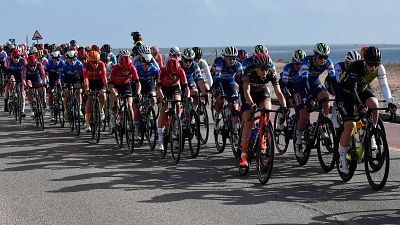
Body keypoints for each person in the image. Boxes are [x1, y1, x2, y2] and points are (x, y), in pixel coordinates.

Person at [337, 46, 397, 174]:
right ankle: (342, 157)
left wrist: (390, 102)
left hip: (362, 90)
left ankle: (372, 133)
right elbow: (352, 89)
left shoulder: (379, 69)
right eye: (370, 64)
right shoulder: (355, 67)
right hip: (345, 93)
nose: (373, 68)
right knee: (350, 125)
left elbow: (384, 86)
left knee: (374, 104)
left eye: (376, 64)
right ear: (364, 61)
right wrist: (359, 104)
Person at [239, 52, 287, 167]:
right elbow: (246, 92)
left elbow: (278, 92)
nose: (265, 71)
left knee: (266, 112)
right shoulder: (248, 72)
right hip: (248, 94)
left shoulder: (271, 73)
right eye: (262, 69)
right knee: (249, 122)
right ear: (256, 68)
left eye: (267, 69)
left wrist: (284, 106)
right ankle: (244, 155)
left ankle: (263, 135)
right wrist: (251, 104)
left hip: (261, 92)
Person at [293, 43, 335, 157]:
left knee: (325, 97)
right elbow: (305, 79)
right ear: (315, 56)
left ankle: (323, 124)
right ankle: (298, 140)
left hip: (315, 83)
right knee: (304, 113)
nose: (323, 59)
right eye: (320, 57)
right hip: (300, 86)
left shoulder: (328, 62)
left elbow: (333, 78)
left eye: (325, 57)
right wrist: (309, 96)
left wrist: (338, 93)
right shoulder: (307, 61)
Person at [155, 58, 191, 151]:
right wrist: (162, 97)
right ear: (167, 68)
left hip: (174, 87)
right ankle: (160, 139)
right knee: (163, 109)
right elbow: (158, 87)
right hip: (163, 89)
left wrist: (188, 97)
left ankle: (176, 123)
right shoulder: (162, 70)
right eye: (172, 72)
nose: (173, 74)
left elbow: (186, 88)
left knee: (178, 104)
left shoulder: (180, 70)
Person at [325, 50, 361, 128]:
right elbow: (338, 82)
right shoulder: (339, 66)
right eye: (352, 64)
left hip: (345, 82)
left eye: (356, 64)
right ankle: (334, 115)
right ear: (347, 62)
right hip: (331, 82)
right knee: (338, 93)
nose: (354, 66)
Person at [109, 50, 141, 134]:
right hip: (115, 85)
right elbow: (110, 85)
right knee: (115, 102)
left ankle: (132, 124)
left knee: (130, 105)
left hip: (126, 85)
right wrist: (114, 94)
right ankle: (113, 118)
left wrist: (138, 92)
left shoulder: (131, 67)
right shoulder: (116, 68)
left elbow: (138, 82)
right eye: (123, 68)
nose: (125, 70)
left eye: (126, 68)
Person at [212, 46, 243, 131]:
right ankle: (217, 116)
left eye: (234, 58)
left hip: (230, 83)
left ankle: (234, 125)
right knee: (220, 100)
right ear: (225, 57)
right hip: (219, 83)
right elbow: (217, 77)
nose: (232, 60)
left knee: (235, 102)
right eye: (229, 58)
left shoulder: (238, 65)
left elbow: (242, 79)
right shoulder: (220, 64)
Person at [83, 51, 108, 132]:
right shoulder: (86, 65)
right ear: (89, 61)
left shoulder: (101, 64)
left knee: (102, 95)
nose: (94, 64)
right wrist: (86, 88)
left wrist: (106, 87)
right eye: (92, 62)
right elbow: (86, 78)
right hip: (90, 81)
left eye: (96, 62)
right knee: (90, 99)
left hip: (99, 81)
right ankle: (87, 123)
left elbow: (104, 77)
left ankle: (101, 110)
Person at [62, 50, 84, 118]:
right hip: (67, 79)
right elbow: (62, 76)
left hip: (76, 79)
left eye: (74, 59)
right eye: (70, 59)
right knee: (67, 93)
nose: (72, 61)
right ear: (67, 59)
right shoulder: (64, 65)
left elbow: (83, 75)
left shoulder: (79, 64)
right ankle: (66, 109)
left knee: (79, 91)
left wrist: (83, 84)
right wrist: (63, 85)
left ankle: (79, 109)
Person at [4, 49, 26, 113]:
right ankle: (7, 101)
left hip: (20, 76)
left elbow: (26, 69)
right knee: (8, 85)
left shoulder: (23, 60)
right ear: (12, 57)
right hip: (12, 75)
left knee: (22, 93)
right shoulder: (9, 61)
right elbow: (7, 71)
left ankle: (22, 111)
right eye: (14, 58)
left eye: (17, 57)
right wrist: (7, 78)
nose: (16, 59)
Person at [46, 51, 65, 124]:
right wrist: (48, 83)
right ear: (52, 59)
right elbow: (46, 74)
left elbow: (65, 73)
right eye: (55, 59)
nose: (56, 61)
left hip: (60, 77)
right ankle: (51, 112)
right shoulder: (49, 64)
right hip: (51, 77)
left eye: (58, 59)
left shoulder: (62, 63)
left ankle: (63, 102)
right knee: (51, 93)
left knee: (62, 89)